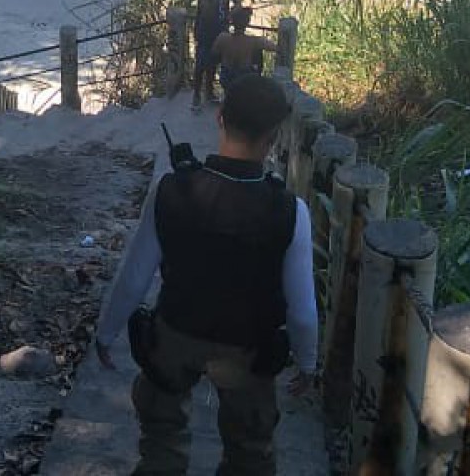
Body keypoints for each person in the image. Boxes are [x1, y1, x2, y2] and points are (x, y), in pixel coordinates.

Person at [94, 75, 318, 475]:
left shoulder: (172, 190)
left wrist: (107, 332)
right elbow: (301, 309)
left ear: (220, 118)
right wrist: (307, 360)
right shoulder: (290, 211)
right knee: (250, 450)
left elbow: (135, 275)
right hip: (248, 348)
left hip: (174, 334)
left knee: (161, 442)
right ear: (275, 135)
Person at [190, 0, 237, 110]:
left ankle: (209, 92)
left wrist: (231, 14)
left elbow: (237, 3)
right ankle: (196, 94)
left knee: (214, 61)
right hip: (205, 28)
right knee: (201, 62)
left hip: (221, 29)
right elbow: (206, 10)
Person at [214, 6, 277, 93]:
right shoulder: (254, 41)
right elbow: (275, 48)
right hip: (244, 77)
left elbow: (214, 53)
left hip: (226, 76)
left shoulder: (223, 37)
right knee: (258, 53)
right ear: (247, 22)